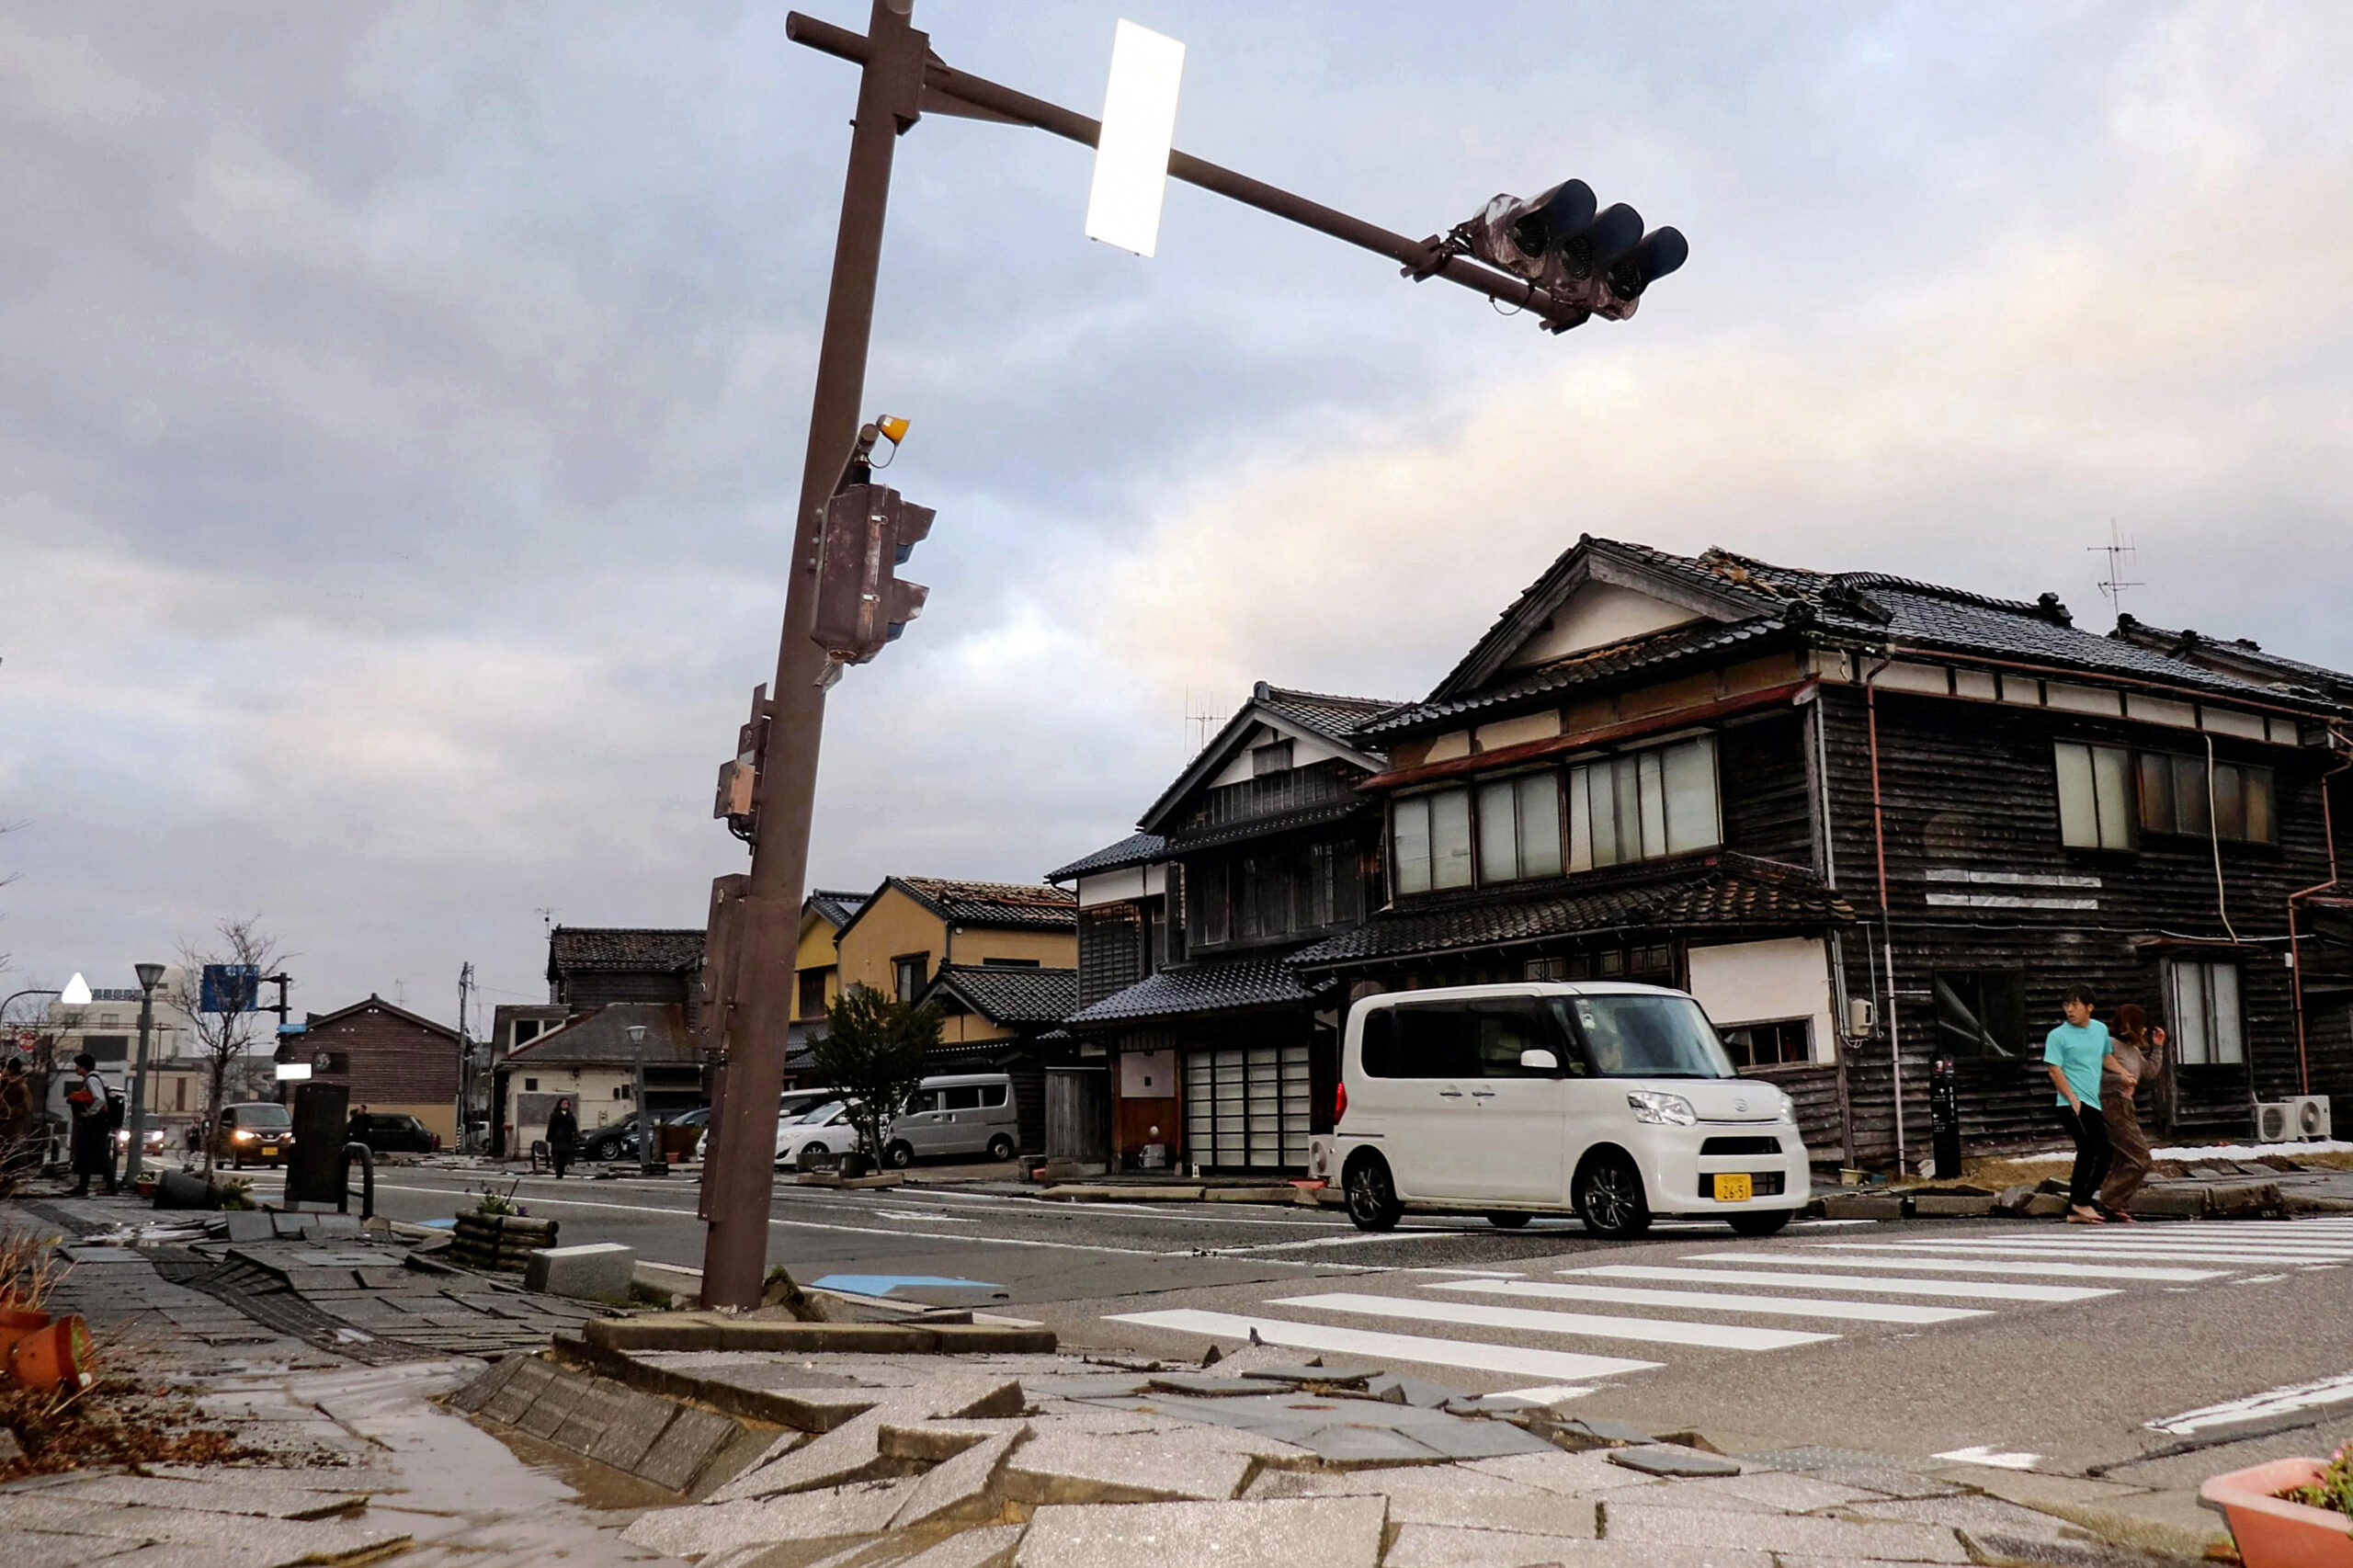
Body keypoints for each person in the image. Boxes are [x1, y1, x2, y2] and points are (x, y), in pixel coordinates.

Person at [2044, 984, 2114, 1224]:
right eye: (2066, 1005)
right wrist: (2073, 1098)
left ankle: (2076, 1208)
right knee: (2102, 1150)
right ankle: (2081, 1202)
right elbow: (2054, 1069)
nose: (2070, 1010)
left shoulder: (2100, 1030)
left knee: (2088, 1151)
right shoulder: (2058, 1036)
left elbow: (2106, 1056)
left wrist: (2124, 1074)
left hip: (2091, 1102)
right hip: (2070, 1103)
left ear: (2089, 1007)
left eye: (2075, 1005)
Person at [2097, 1003, 2166, 1220]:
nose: (2145, 1030)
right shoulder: (2109, 1044)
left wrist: (2157, 1048)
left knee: (2123, 1159)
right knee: (2140, 1158)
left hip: (2126, 1106)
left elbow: (2149, 1073)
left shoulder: (2134, 1050)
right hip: (2111, 1104)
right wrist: (2120, 1079)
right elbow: (2095, 1075)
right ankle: (2109, 1200)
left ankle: (2113, 1204)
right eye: (2142, 1025)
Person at [64, 1052, 119, 1198]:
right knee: (91, 1154)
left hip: (95, 1123)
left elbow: (99, 1099)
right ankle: (88, 1186)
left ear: (83, 1067)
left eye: (77, 1065)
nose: (75, 1068)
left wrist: (89, 1113)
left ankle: (109, 1186)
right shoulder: (100, 1078)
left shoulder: (91, 1080)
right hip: (101, 1122)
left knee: (95, 1154)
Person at [0, 1058, 35, 1171]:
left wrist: (9, 1112)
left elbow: (26, 1107)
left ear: (10, 1070)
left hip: (12, 1129)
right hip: (4, 1128)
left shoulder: (20, 1087)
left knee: (9, 1159)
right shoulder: (5, 1085)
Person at [546, 1097, 578, 1179]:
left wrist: (576, 1135)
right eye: (564, 1104)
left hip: (567, 1139)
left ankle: (561, 1172)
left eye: (567, 1104)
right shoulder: (555, 1115)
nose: (566, 1105)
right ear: (560, 1105)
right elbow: (551, 1127)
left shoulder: (570, 1116)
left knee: (564, 1157)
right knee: (558, 1156)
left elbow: (574, 1126)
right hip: (557, 1138)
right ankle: (558, 1173)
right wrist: (549, 1137)